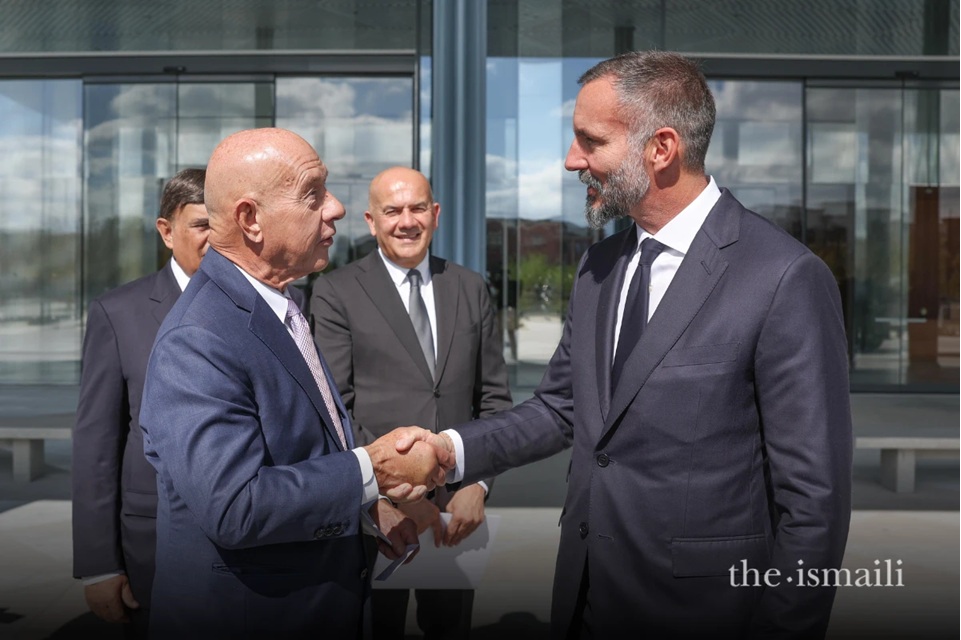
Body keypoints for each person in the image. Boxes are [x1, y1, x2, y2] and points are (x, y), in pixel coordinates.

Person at [405, 51, 853, 638]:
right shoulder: (600, 264)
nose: (572, 161)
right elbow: (562, 407)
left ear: (661, 148)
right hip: (588, 596)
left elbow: (814, 502)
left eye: (591, 142)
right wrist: (448, 449)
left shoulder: (783, 277)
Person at [138, 128, 451, 639]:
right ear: (250, 219)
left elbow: (306, 448)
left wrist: (370, 510)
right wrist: (371, 470)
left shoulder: (280, 303)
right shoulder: (197, 339)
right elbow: (236, 506)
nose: (337, 208)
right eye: (313, 194)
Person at [311, 166, 513, 639]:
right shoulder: (336, 292)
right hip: (378, 519)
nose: (407, 221)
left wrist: (477, 484)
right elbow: (335, 409)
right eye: (392, 211)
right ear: (370, 220)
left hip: (455, 519)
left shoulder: (469, 287)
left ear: (435, 214)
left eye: (417, 208)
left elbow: (495, 400)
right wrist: (389, 493)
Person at [72, 168, 210, 636]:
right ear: (166, 231)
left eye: (224, 224)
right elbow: (97, 443)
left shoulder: (268, 306)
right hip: (152, 544)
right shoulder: (118, 312)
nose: (216, 238)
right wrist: (98, 565)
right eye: (201, 224)